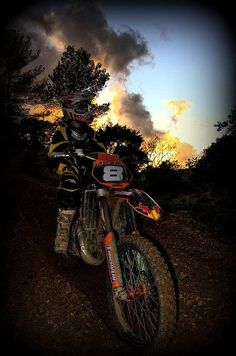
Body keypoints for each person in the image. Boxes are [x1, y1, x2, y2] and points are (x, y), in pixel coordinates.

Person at [47, 91, 106, 256]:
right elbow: (52, 155)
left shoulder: (91, 133)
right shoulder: (62, 131)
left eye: (86, 107)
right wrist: (66, 151)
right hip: (69, 167)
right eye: (82, 107)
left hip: (90, 169)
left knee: (109, 183)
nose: (86, 111)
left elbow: (102, 149)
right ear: (70, 109)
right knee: (70, 182)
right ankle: (63, 236)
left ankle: (111, 229)